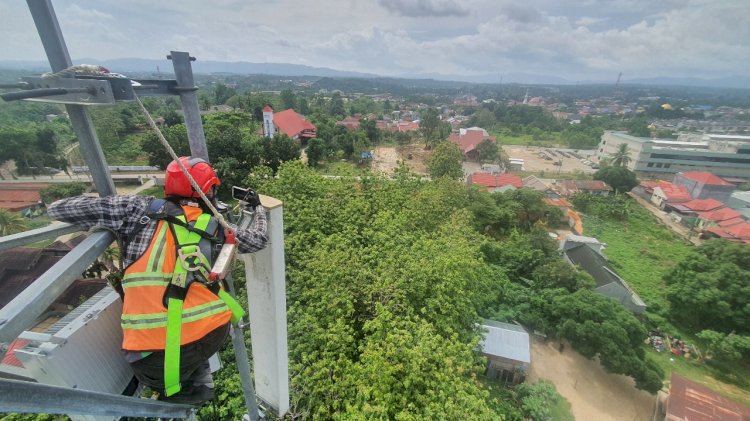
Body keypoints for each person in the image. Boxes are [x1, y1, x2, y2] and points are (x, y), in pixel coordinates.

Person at [47, 156, 268, 404]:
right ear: (210, 190)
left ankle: (184, 382)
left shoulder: (133, 209)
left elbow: (58, 209)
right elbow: (258, 238)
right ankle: (194, 374)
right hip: (212, 334)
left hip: (150, 361)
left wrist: (105, 203)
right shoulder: (217, 226)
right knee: (196, 323)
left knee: (172, 355)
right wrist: (257, 207)